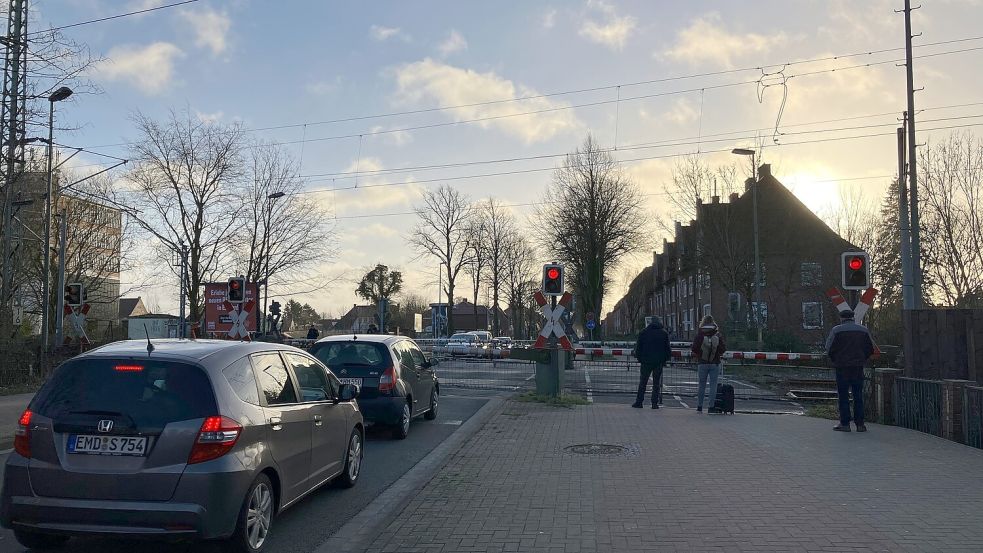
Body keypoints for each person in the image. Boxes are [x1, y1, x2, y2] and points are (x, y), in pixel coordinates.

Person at [825, 309, 875, 432]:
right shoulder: (863, 330)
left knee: (843, 396)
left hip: (842, 367)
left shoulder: (836, 330)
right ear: (853, 317)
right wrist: (862, 358)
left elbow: (828, 347)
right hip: (858, 366)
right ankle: (860, 424)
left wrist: (835, 359)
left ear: (841, 318)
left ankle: (845, 424)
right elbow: (870, 348)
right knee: (858, 395)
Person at [632, 316, 671, 409]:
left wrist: (640, 358)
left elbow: (638, 348)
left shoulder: (644, 332)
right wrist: (664, 360)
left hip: (646, 361)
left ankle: (639, 402)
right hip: (658, 362)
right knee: (656, 384)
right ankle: (654, 403)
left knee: (643, 382)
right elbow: (667, 349)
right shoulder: (663, 333)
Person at [692, 315, 726, 413]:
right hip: (715, 363)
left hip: (702, 363)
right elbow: (723, 349)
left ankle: (699, 406)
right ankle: (711, 407)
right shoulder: (717, 335)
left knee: (701, 385)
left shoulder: (700, 334)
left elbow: (694, 348)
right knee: (713, 385)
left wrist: (700, 354)